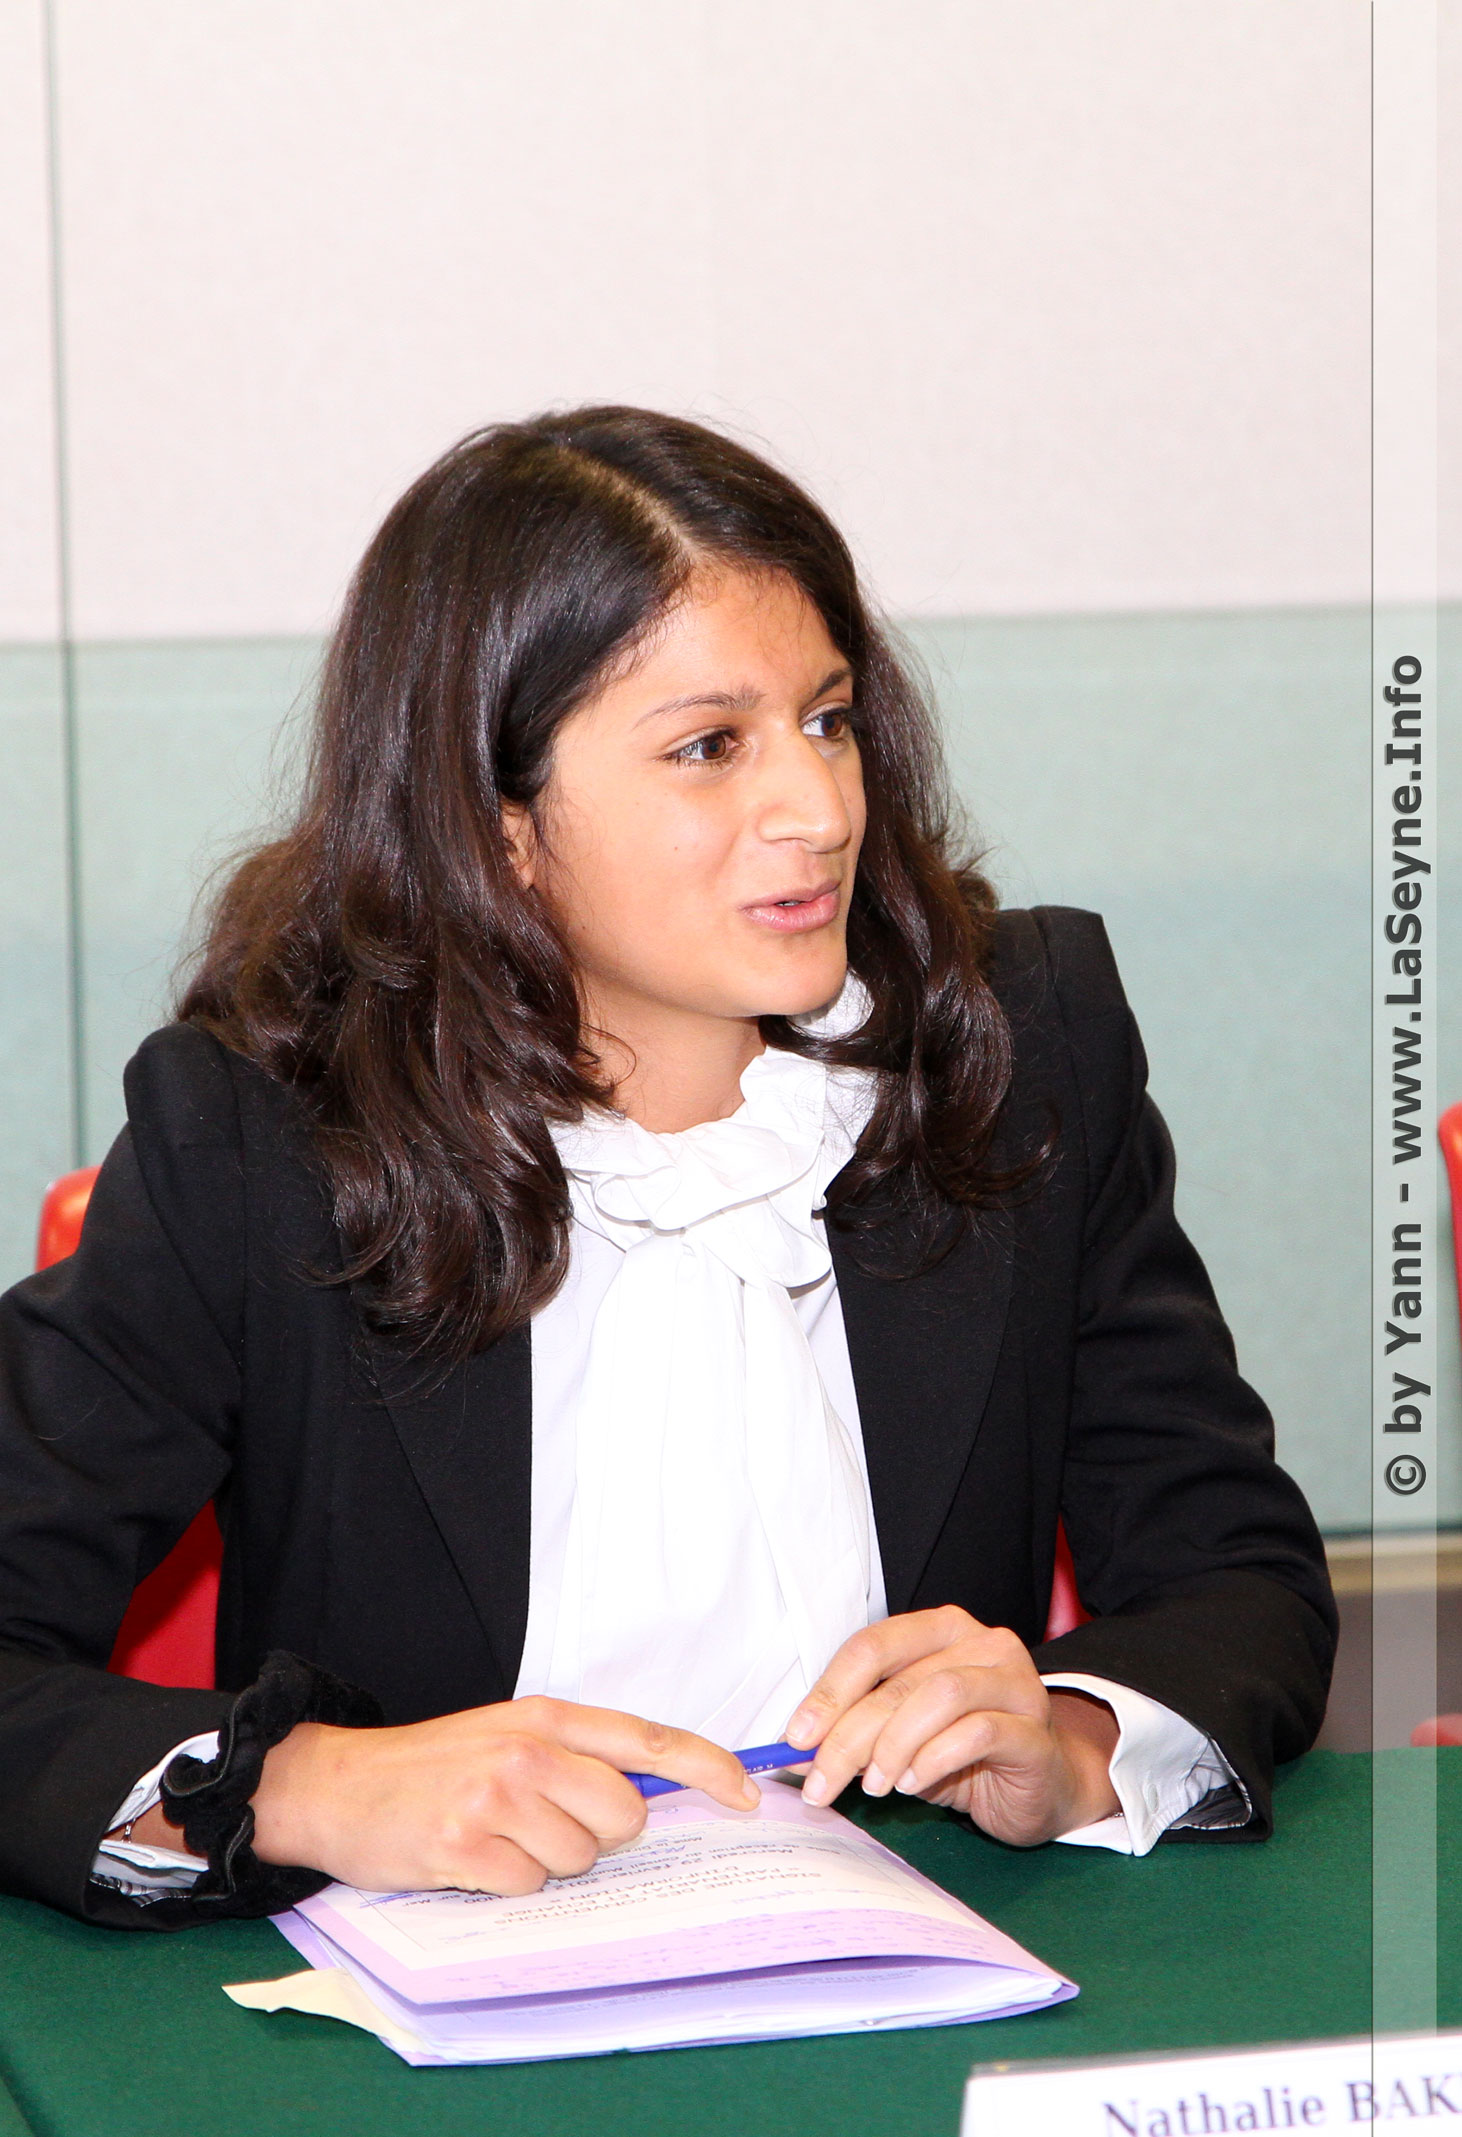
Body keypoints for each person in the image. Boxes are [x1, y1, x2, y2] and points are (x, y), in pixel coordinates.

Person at [0, 407, 1335, 1929]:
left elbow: (1238, 1575)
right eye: (709, 747)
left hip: (919, 1971)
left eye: (827, 721)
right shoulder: (265, 1141)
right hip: (432, 2010)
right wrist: (310, 1787)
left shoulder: (1016, 1056)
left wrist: (1075, 1735)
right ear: (498, 823)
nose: (819, 809)